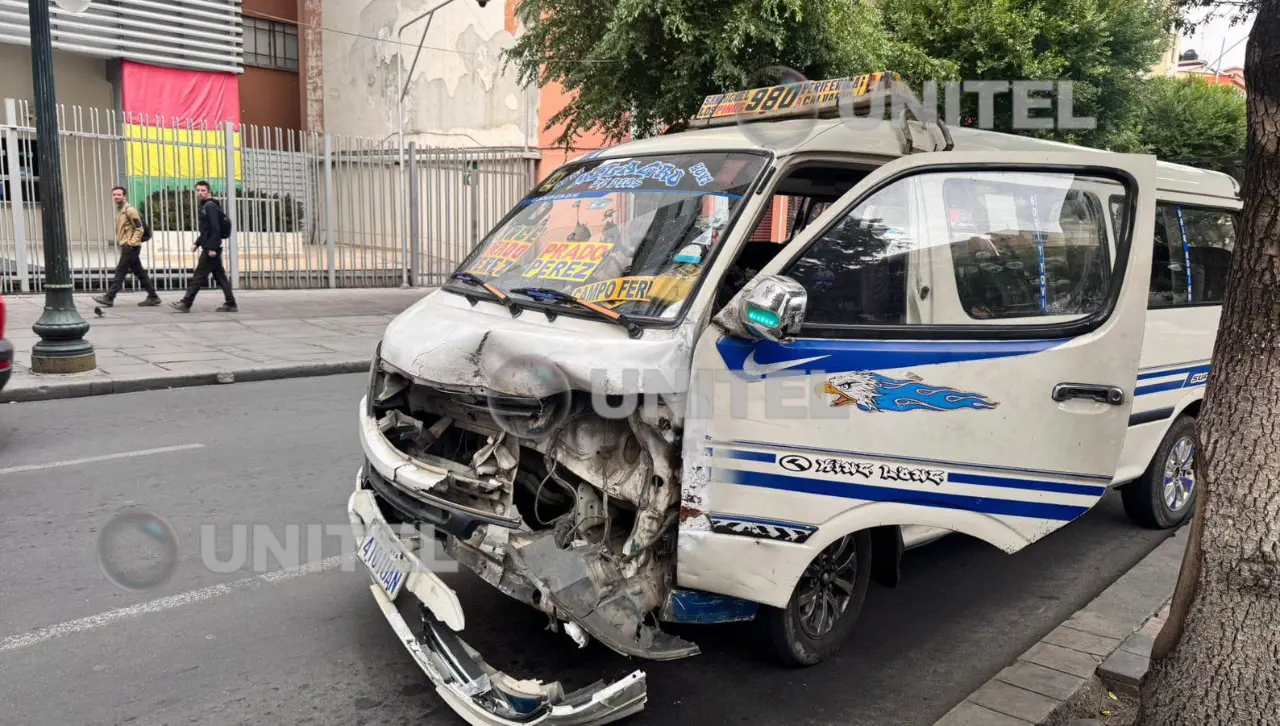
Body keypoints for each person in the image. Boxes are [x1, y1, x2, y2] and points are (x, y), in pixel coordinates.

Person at [171, 180, 237, 313]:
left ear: (209, 192)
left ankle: (186, 303)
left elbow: (215, 228)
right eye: (198, 190)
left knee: (199, 275)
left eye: (203, 190)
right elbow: (207, 231)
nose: (200, 193)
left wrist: (212, 247)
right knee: (220, 276)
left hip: (211, 248)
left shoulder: (210, 206)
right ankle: (231, 303)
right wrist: (197, 243)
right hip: (211, 246)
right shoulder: (208, 205)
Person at [93, 186, 161, 307]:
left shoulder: (130, 210)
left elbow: (139, 228)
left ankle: (109, 297)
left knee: (121, 271)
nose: (116, 197)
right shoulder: (121, 211)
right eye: (114, 195)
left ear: (124, 196)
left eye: (119, 195)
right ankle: (153, 296)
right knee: (139, 272)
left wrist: (132, 243)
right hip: (127, 245)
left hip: (130, 246)